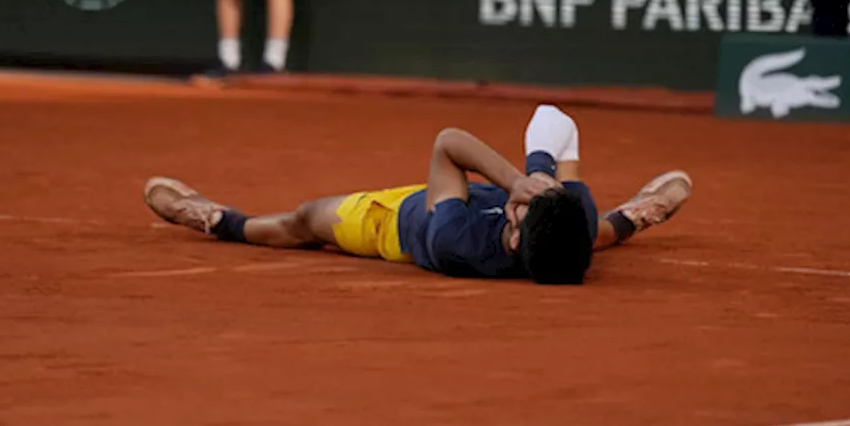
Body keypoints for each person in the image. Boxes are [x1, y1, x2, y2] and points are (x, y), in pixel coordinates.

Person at [143, 105, 693, 284]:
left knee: (307, 221)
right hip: (542, 229)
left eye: (527, 204)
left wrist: (516, 179)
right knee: (595, 236)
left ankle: (218, 220)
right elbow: (555, 119)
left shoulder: (456, 239)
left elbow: (447, 145)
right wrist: (541, 171)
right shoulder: (565, 224)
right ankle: (639, 215)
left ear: (515, 228)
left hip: (406, 221)